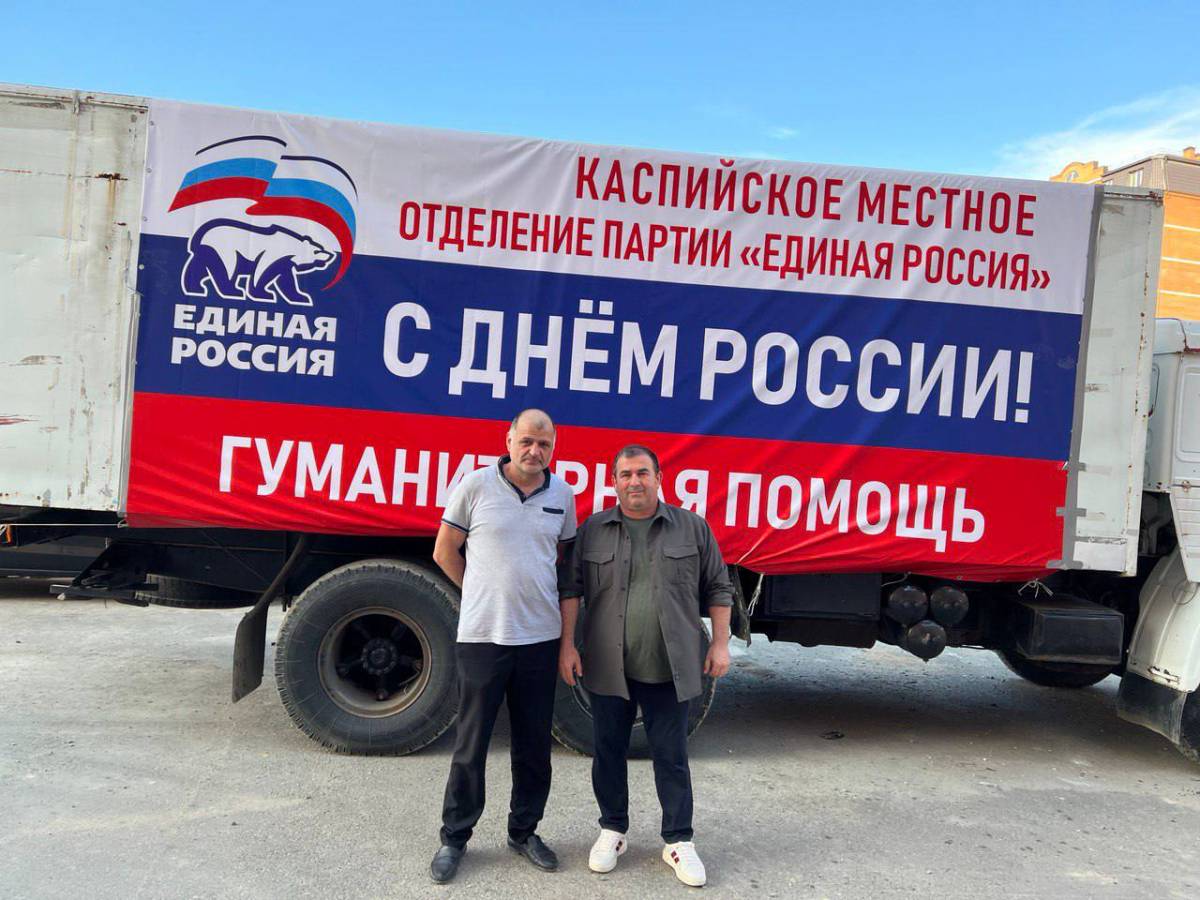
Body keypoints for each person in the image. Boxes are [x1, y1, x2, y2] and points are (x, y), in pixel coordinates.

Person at [559, 444, 733, 888]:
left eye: (642, 473)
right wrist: (567, 646)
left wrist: (720, 644)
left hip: (669, 666)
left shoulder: (692, 528)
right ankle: (612, 830)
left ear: (659, 478)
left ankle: (678, 840)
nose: (634, 481)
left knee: (671, 755)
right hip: (608, 664)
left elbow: (718, 587)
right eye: (625, 474)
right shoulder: (593, 530)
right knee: (608, 751)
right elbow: (571, 589)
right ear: (614, 482)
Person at [428, 409, 576, 884]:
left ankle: (523, 832)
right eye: (527, 441)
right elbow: (444, 550)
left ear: (553, 448)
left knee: (534, 746)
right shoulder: (475, 485)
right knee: (471, 744)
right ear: (508, 440)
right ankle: (454, 838)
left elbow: (562, 561)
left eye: (544, 444)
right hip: (482, 639)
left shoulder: (563, 495)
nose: (535, 451)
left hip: (539, 639)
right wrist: (477, 591)